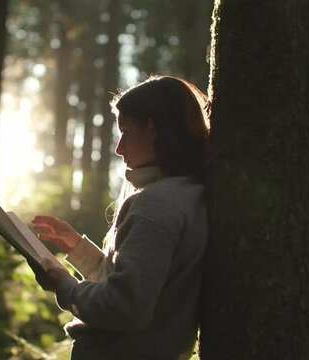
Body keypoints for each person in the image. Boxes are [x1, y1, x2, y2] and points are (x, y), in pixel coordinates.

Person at [31, 75, 210, 360]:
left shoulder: (157, 203)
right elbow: (138, 281)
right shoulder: (188, 193)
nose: (119, 148)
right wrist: (77, 246)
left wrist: (65, 287)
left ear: (152, 129)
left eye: (126, 132)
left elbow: (125, 308)